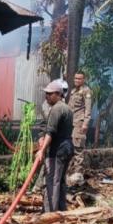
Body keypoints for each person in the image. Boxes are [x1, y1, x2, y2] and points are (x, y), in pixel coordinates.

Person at [35, 80, 74, 212]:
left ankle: (50, 213)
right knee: (60, 181)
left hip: (57, 150)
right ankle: (61, 211)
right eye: (46, 94)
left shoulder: (56, 109)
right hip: (67, 148)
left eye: (50, 94)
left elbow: (50, 132)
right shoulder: (67, 108)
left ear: (58, 94)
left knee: (51, 182)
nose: (47, 97)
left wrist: (42, 150)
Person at [67, 71, 92, 176]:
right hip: (71, 123)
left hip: (79, 123)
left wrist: (85, 123)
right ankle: (70, 175)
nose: (77, 80)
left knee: (78, 151)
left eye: (79, 78)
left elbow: (88, 109)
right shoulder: (73, 91)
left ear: (84, 79)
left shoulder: (86, 91)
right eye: (75, 78)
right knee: (69, 148)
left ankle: (78, 179)